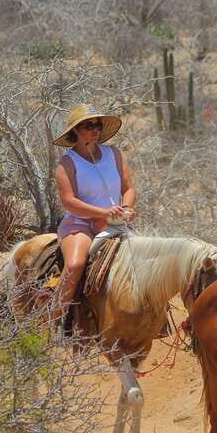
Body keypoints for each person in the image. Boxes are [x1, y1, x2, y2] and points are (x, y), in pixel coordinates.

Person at [53, 104, 136, 333]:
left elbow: (129, 188)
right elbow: (69, 202)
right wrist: (104, 213)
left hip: (115, 222)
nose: (95, 129)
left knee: (147, 259)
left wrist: (125, 208)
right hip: (79, 224)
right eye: (89, 125)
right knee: (75, 264)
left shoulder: (114, 154)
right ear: (77, 130)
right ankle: (53, 320)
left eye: (97, 124)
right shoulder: (67, 163)